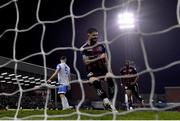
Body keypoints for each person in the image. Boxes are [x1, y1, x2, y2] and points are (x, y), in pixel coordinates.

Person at [81, 28, 116, 111]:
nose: (95, 37)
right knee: (95, 82)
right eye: (93, 35)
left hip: (102, 69)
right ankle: (106, 101)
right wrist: (98, 57)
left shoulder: (101, 46)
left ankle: (111, 102)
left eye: (96, 35)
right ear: (88, 34)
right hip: (91, 71)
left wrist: (110, 71)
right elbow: (86, 62)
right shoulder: (84, 48)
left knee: (111, 79)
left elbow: (106, 59)